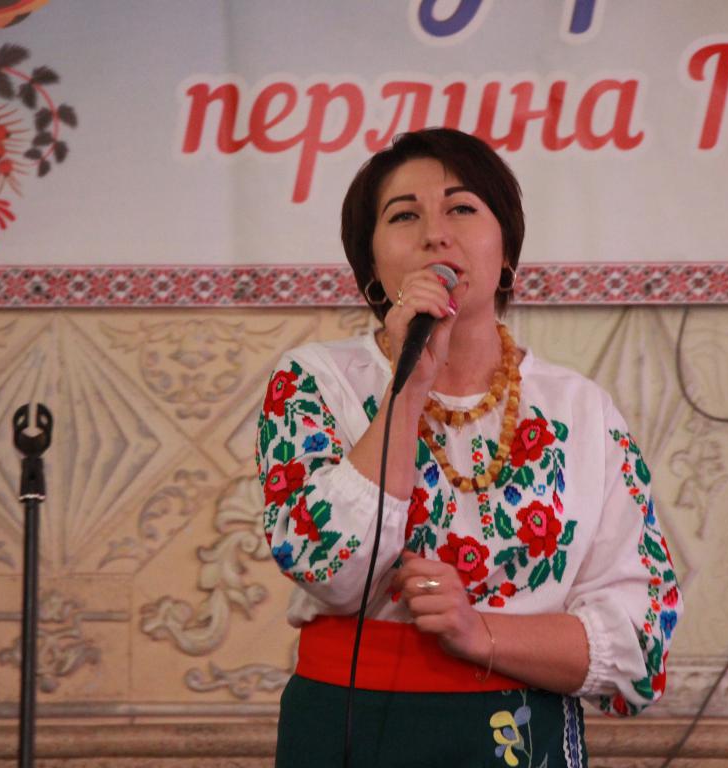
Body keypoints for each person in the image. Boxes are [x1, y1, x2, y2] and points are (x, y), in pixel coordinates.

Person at [256, 128, 682, 767]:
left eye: (461, 207)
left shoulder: (580, 409)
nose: (435, 234)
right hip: (349, 728)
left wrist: (478, 632)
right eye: (404, 216)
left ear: (506, 252)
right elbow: (326, 568)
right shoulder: (314, 380)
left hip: (521, 737)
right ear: (371, 270)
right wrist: (407, 386)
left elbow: (642, 644)